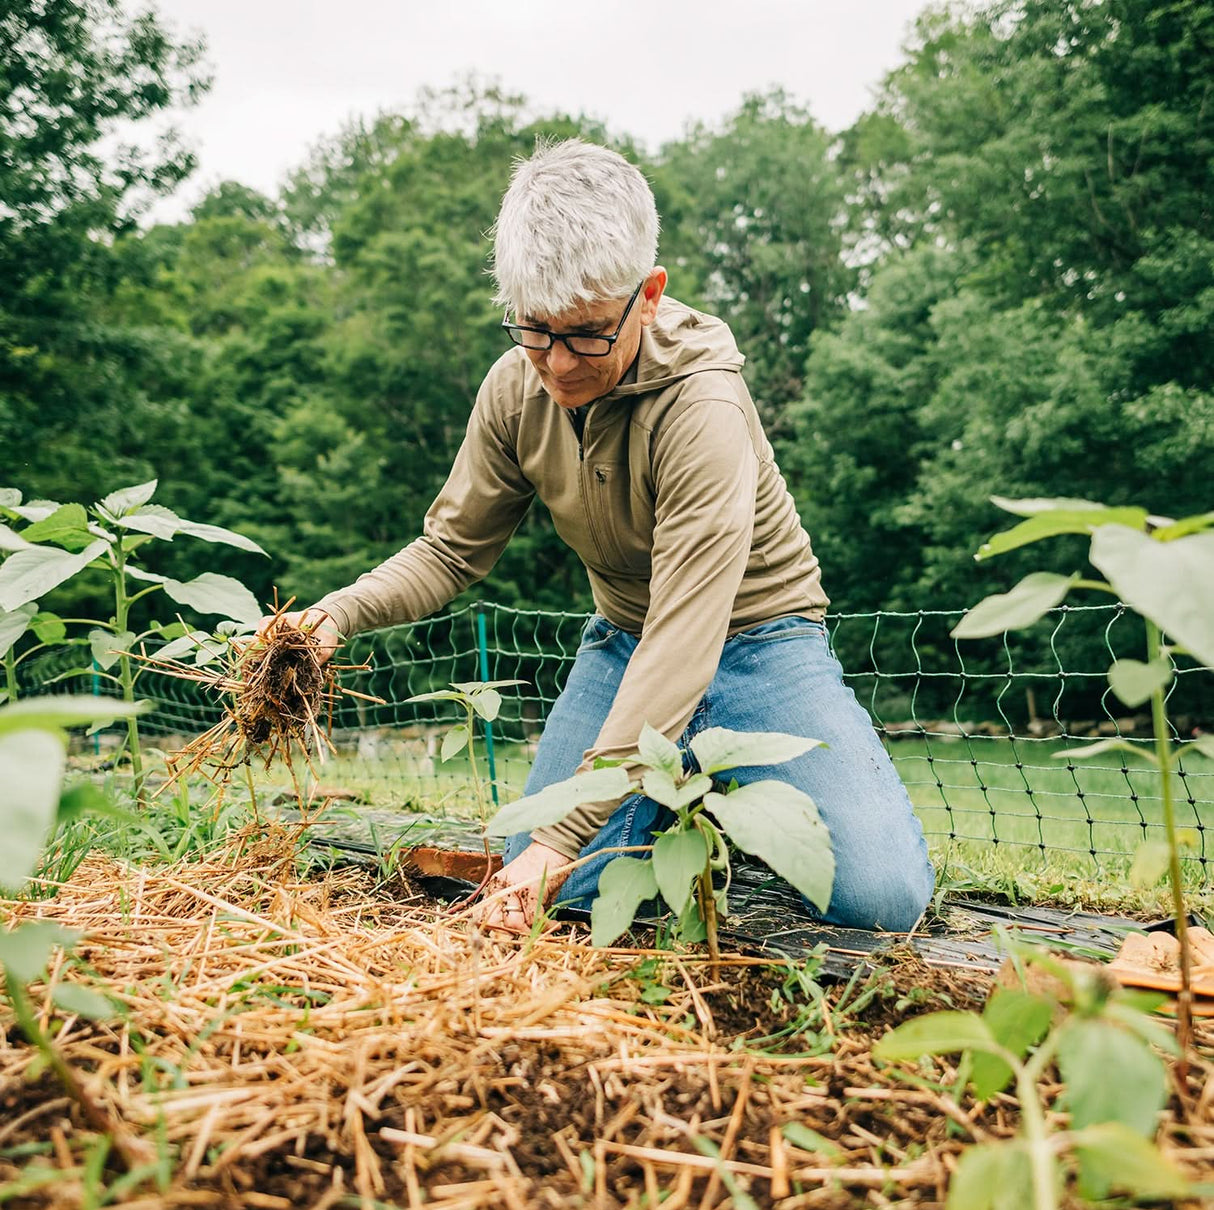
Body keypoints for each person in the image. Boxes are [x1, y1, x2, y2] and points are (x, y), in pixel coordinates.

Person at [278, 139, 935, 935]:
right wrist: (333, 615)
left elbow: (686, 636)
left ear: (647, 296)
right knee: (566, 896)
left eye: (587, 332)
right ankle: (674, 807)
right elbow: (450, 550)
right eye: (535, 329)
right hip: (625, 643)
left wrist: (560, 840)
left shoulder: (702, 406)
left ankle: (717, 798)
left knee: (880, 900)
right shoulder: (515, 390)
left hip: (761, 642)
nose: (557, 364)